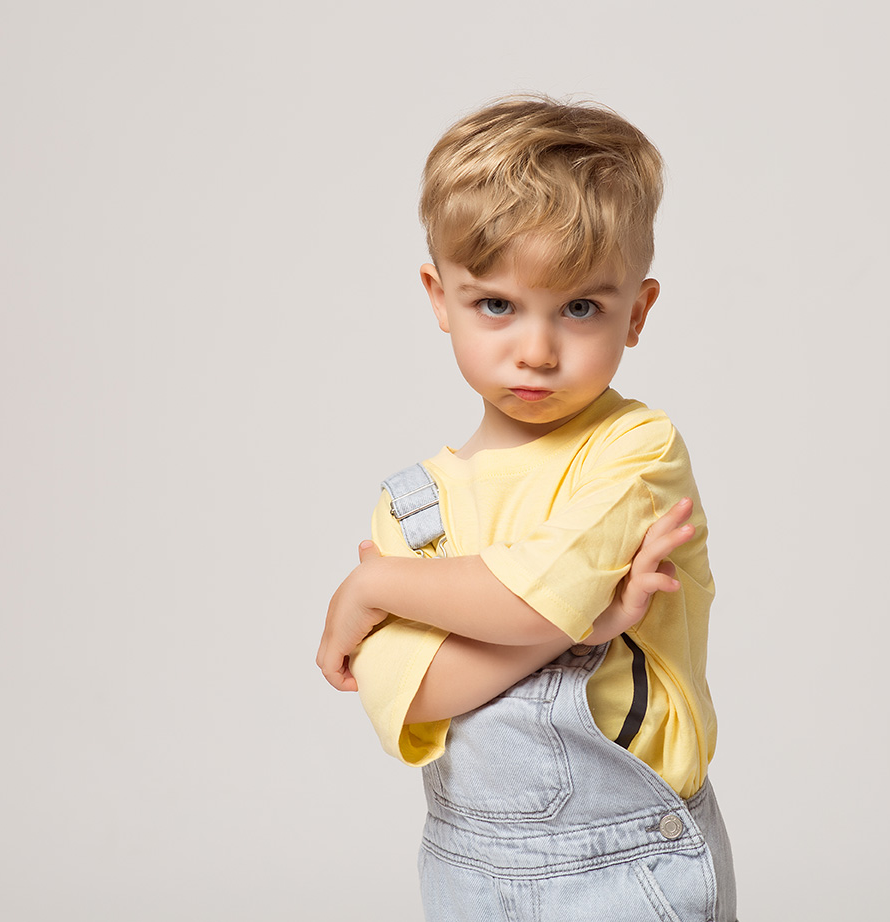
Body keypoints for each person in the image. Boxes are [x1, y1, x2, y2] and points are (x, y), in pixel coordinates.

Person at [316, 95, 736, 921]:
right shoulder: (415, 507)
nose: (537, 351)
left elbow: (524, 595)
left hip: (629, 865)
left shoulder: (633, 453)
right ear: (440, 297)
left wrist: (375, 591)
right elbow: (420, 690)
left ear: (637, 312)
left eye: (580, 308)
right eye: (496, 305)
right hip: (469, 874)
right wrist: (579, 626)